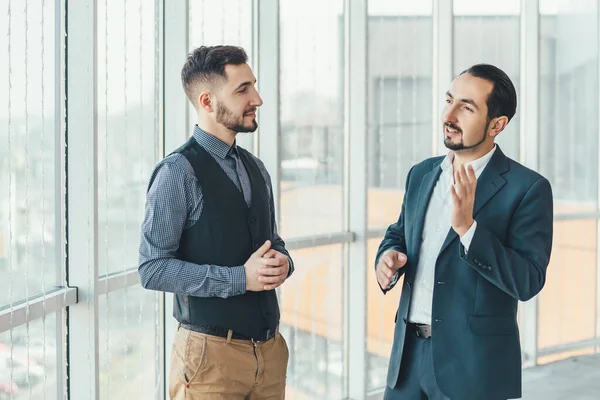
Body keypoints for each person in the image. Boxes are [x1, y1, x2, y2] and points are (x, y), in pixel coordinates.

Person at [375, 64, 553, 400]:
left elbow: (528, 280)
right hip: (407, 361)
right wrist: (387, 257)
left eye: (467, 107)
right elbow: (398, 233)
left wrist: (468, 229)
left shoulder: (528, 188)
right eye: (449, 100)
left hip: (473, 369)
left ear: (497, 125)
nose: (450, 114)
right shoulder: (421, 174)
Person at [138, 45, 293, 399]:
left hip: (269, 354)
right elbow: (152, 268)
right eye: (243, 89)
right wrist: (242, 278)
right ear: (207, 102)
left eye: (253, 84)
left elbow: (271, 240)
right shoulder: (177, 172)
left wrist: (283, 261)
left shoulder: (256, 167)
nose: (257, 98)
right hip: (210, 360)